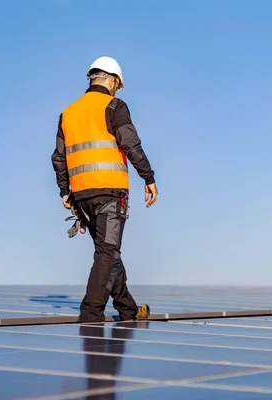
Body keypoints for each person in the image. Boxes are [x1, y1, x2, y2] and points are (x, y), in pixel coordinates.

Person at [51, 56, 158, 323]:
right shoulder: (114, 106)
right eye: (116, 85)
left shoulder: (69, 112)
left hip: (81, 196)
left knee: (107, 252)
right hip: (110, 193)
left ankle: (129, 310)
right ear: (111, 80)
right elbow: (131, 145)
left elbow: (58, 157)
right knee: (107, 253)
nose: (116, 90)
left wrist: (65, 190)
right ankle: (90, 313)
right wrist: (148, 177)